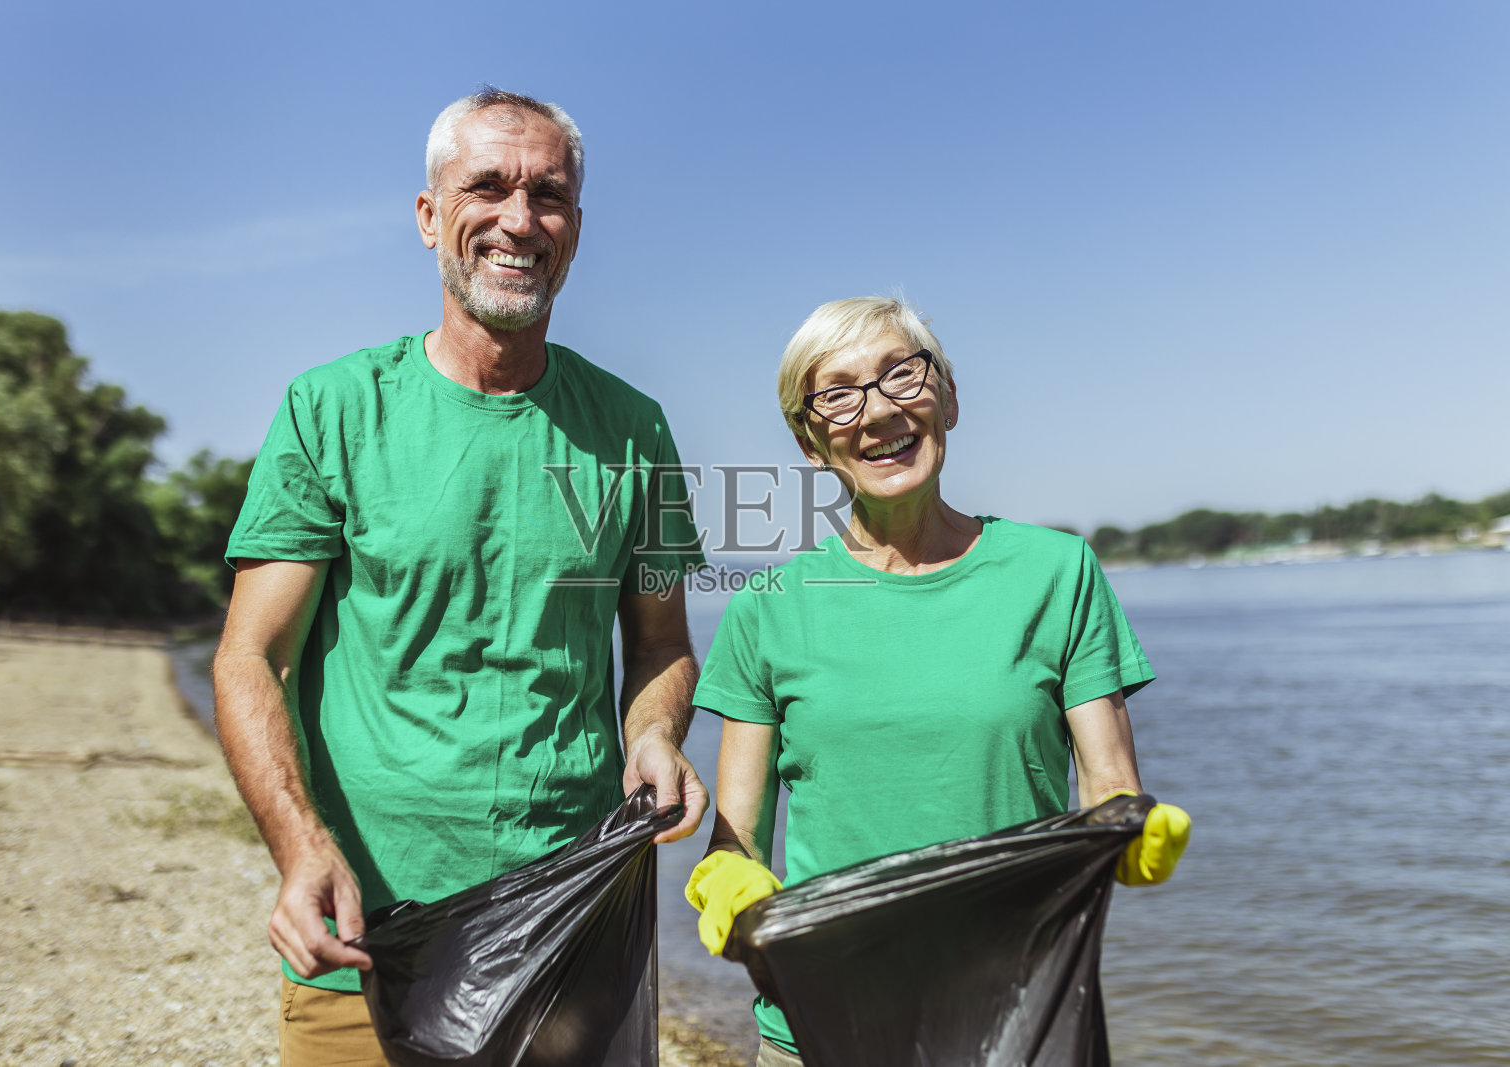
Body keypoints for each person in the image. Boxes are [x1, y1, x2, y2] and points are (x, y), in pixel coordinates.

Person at [213, 88, 708, 1065]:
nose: (519, 219)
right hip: (368, 934)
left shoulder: (633, 426)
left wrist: (653, 734)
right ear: (429, 215)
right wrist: (301, 850)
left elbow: (659, 643)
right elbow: (249, 657)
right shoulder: (331, 409)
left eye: (548, 195)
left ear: (575, 228)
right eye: (487, 187)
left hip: (570, 927)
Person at [683, 297, 1191, 1066]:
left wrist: (1131, 832)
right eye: (839, 394)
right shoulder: (768, 608)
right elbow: (737, 841)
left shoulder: (1057, 572)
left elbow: (1109, 788)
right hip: (821, 1027)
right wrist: (727, 880)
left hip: (1018, 1021)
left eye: (901, 375)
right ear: (810, 442)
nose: (879, 410)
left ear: (948, 397)